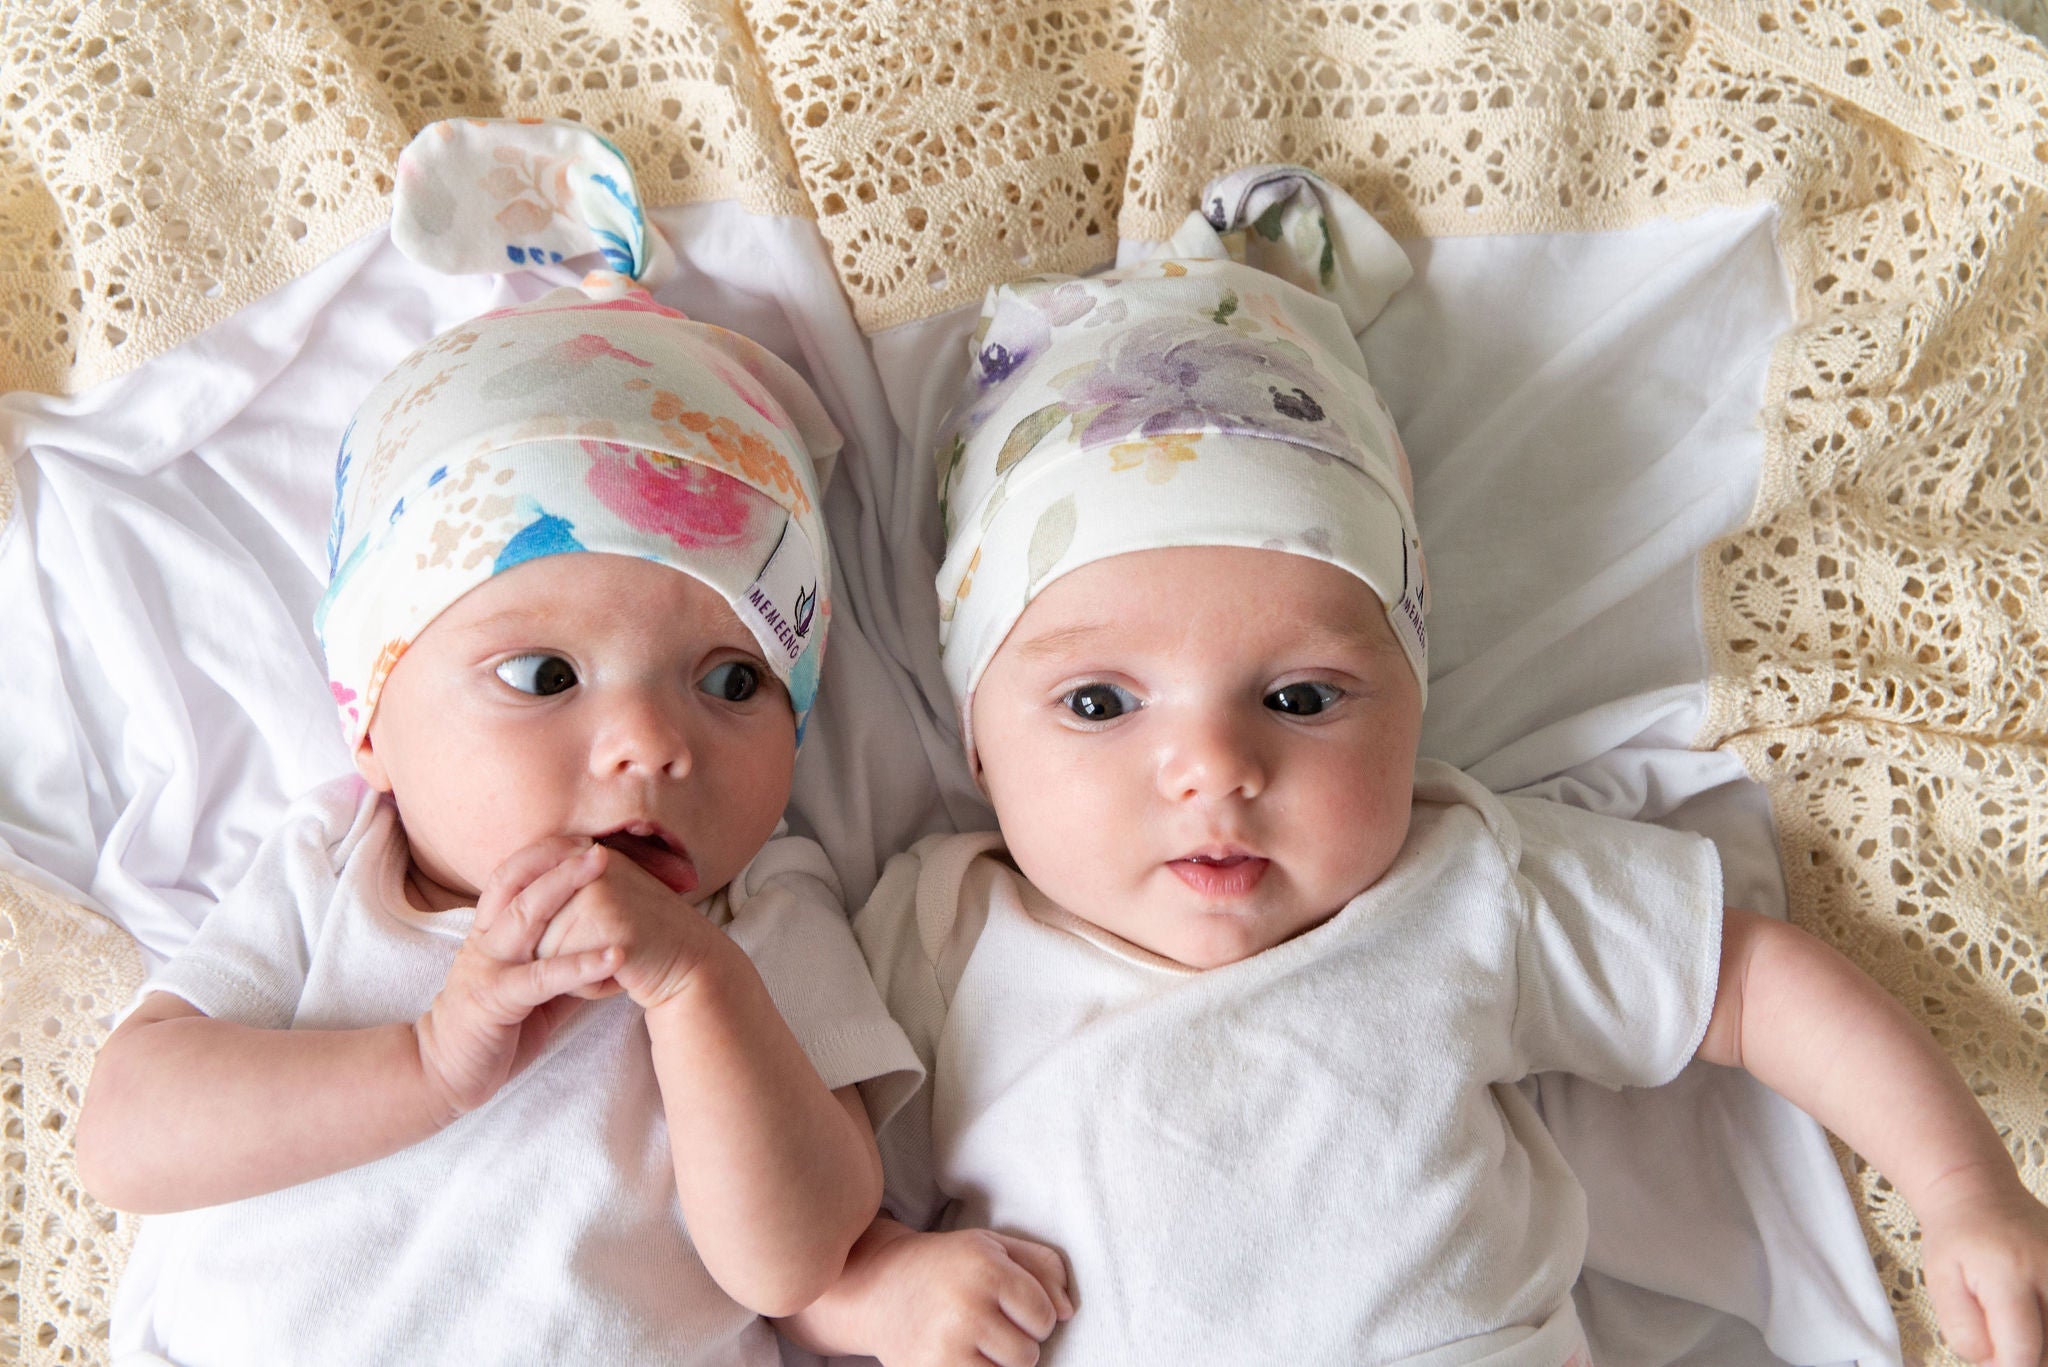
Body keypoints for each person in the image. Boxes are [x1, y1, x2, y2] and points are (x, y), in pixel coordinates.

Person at [781, 221, 2048, 1365]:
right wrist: (882, 1287)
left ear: (1411, 706)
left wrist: (1962, 1189)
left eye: (1300, 697)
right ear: (978, 743)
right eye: (1100, 703)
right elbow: (790, 1217)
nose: (1214, 766)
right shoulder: (937, 938)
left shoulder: (1462, 885)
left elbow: (1750, 983)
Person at [76, 277, 921, 1364]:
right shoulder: (333, 874)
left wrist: (693, 988)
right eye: (543, 672)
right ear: (371, 725)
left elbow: (792, 1261)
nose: (652, 743)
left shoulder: (758, 924)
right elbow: (122, 1137)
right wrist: (425, 1065)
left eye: (730, 681)